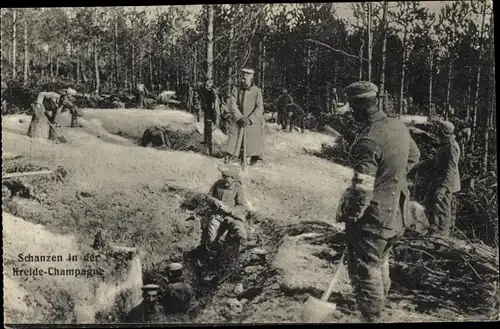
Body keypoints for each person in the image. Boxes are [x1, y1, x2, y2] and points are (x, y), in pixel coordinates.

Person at [338, 81, 420, 323]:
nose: (352, 114)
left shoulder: (369, 140)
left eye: (352, 109)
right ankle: (378, 310)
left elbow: (362, 192)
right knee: (380, 263)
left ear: (358, 107)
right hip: (396, 214)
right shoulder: (397, 126)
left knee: (365, 271)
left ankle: (371, 318)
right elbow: (415, 156)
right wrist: (392, 180)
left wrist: (351, 216)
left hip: (374, 218)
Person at [417, 120, 461, 237]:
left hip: (446, 184)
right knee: (429, 206)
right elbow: (439, 162)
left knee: (442, 213)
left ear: (444, 132)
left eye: (439, 130)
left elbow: (451, 169)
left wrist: (443, 188)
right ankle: (431, 233)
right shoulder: (444, 144)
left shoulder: (452, 146)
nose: (437, 132)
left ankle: (442, 238)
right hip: (437, 182)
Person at [201, 165, 248, 253]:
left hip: (230, 216)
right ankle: (213, 250)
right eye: (223, 177)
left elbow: (242, 206)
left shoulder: (238, 188)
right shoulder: (218, 184)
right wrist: (215, 201)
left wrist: (230, 210)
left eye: (226, 178)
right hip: (217, 215)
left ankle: (237, 248)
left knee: (237, 229)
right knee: (211, 235)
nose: (224, 180)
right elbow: (208, 197)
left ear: (233, 179)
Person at [224, 68, 265, 166]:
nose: (242, 81)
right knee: (234, 141)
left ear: (250, 79)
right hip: (239, 121)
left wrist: (250, 119)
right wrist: (240, 117)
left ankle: (252, 160)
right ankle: (229, 158)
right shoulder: (236, 90)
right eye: (242, 79)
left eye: (245, 79)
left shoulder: (257, 91)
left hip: (252, 123)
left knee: (252, 143)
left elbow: (260, 108)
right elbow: (232, 104)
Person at [200, 79, 220, 156]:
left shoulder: (211, 92)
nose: (211, 85)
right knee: (208, 131)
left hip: (211, 113)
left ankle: (209, 148)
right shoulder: (207, 92)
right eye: (210, 83)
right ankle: (208, 148)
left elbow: (215, 105)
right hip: (208, 113)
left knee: (208, 130)